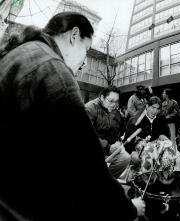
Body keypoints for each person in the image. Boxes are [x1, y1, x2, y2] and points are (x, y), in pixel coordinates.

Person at [0, 12, 144, 221]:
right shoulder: (54, 70)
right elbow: (86, 162)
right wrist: (128, 208)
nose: (84, 63)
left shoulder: (21, 53)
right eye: (86, 50)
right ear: (74, 35)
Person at [85, 86, 130, 179]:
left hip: (107, 149)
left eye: (116, 101)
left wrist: (118, 142)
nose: (114, 105)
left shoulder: (116, 113)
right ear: (102, 97)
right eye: (111, 101)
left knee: (125, 158)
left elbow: (117, 131)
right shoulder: (90, 108)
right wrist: (107, 147)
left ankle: (106, 182)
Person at [124, 96, 170, 166]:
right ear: (147, 106)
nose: (155, 111)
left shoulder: (161, 119)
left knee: (169, 147)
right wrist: (132, 152)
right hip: (141, 145)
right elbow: (127, 142)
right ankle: (146, 175)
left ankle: (164, 173)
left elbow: (166, 133)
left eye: (157, 109)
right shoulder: (135, 120)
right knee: (149, 151)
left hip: (156, 143)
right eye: (153, 107)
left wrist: (163, 136)